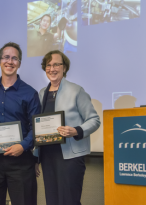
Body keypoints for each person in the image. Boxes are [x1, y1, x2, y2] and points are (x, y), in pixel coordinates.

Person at [35, 50, 100, 205]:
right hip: (48, 156)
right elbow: (38, 126)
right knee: (52, 200)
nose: (52, 68)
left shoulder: (76, 90)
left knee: (69, 200)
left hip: (70, 157)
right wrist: (36, 157)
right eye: (48, 65)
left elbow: (94, 120)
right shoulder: (42, 93)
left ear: (64, 67)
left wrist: (76, 130)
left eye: (56, 64)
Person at [0, 42, 41, 205]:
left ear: (19, 64)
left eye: (15, 58)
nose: (10, 61)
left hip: (21, 161)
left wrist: (22, 146)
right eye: (6, 57)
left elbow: (37, 127)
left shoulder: (30, 93)